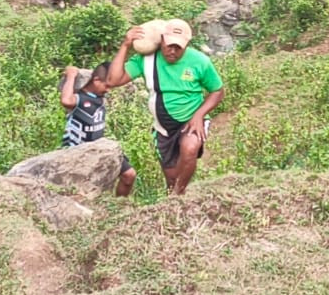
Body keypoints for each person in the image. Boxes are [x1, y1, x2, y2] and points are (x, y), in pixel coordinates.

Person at [107, 19, 224, 196]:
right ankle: (175, 197)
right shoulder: (147, 60)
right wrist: (125, 45)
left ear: (187, 45)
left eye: (178, 47)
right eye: (169, 45)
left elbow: (217, 91)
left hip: (191, 120)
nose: (172, 51)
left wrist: (199, 115)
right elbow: (113, 80)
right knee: (171, 179)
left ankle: (177, 195)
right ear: (161, 40)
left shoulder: (200, 61)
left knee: (190, 148)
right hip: (163, 128)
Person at [60, 62, 136, 197]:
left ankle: (119, 204)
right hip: (78, 151)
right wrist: (71, 75)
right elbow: (66, 100)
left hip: (100, 148)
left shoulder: (100, 96)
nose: (108, 90)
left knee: (129, 175)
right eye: (106, 86)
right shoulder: (80, 98)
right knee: (83, 191)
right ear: (96, 80)